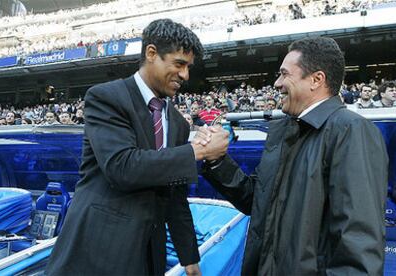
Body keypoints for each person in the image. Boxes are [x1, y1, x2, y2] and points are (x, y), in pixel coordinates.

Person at [46, 19, 228, 276]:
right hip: (96, 250)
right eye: (179, 64)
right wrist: (198, 151)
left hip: (147, 256)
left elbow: (175, 197)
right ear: (151, 53)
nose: (185, 75)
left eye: (189, 67)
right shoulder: (105, 97)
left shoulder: (177, 123)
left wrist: (189, 258)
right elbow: (122, 167)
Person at [199, 37, 388, 275]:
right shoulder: (284, 130)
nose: (277, 83)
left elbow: (359, 244)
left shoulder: (351, 131)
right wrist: (217, 160)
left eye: (284, 74)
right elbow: (258, 200)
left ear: (316, 80)